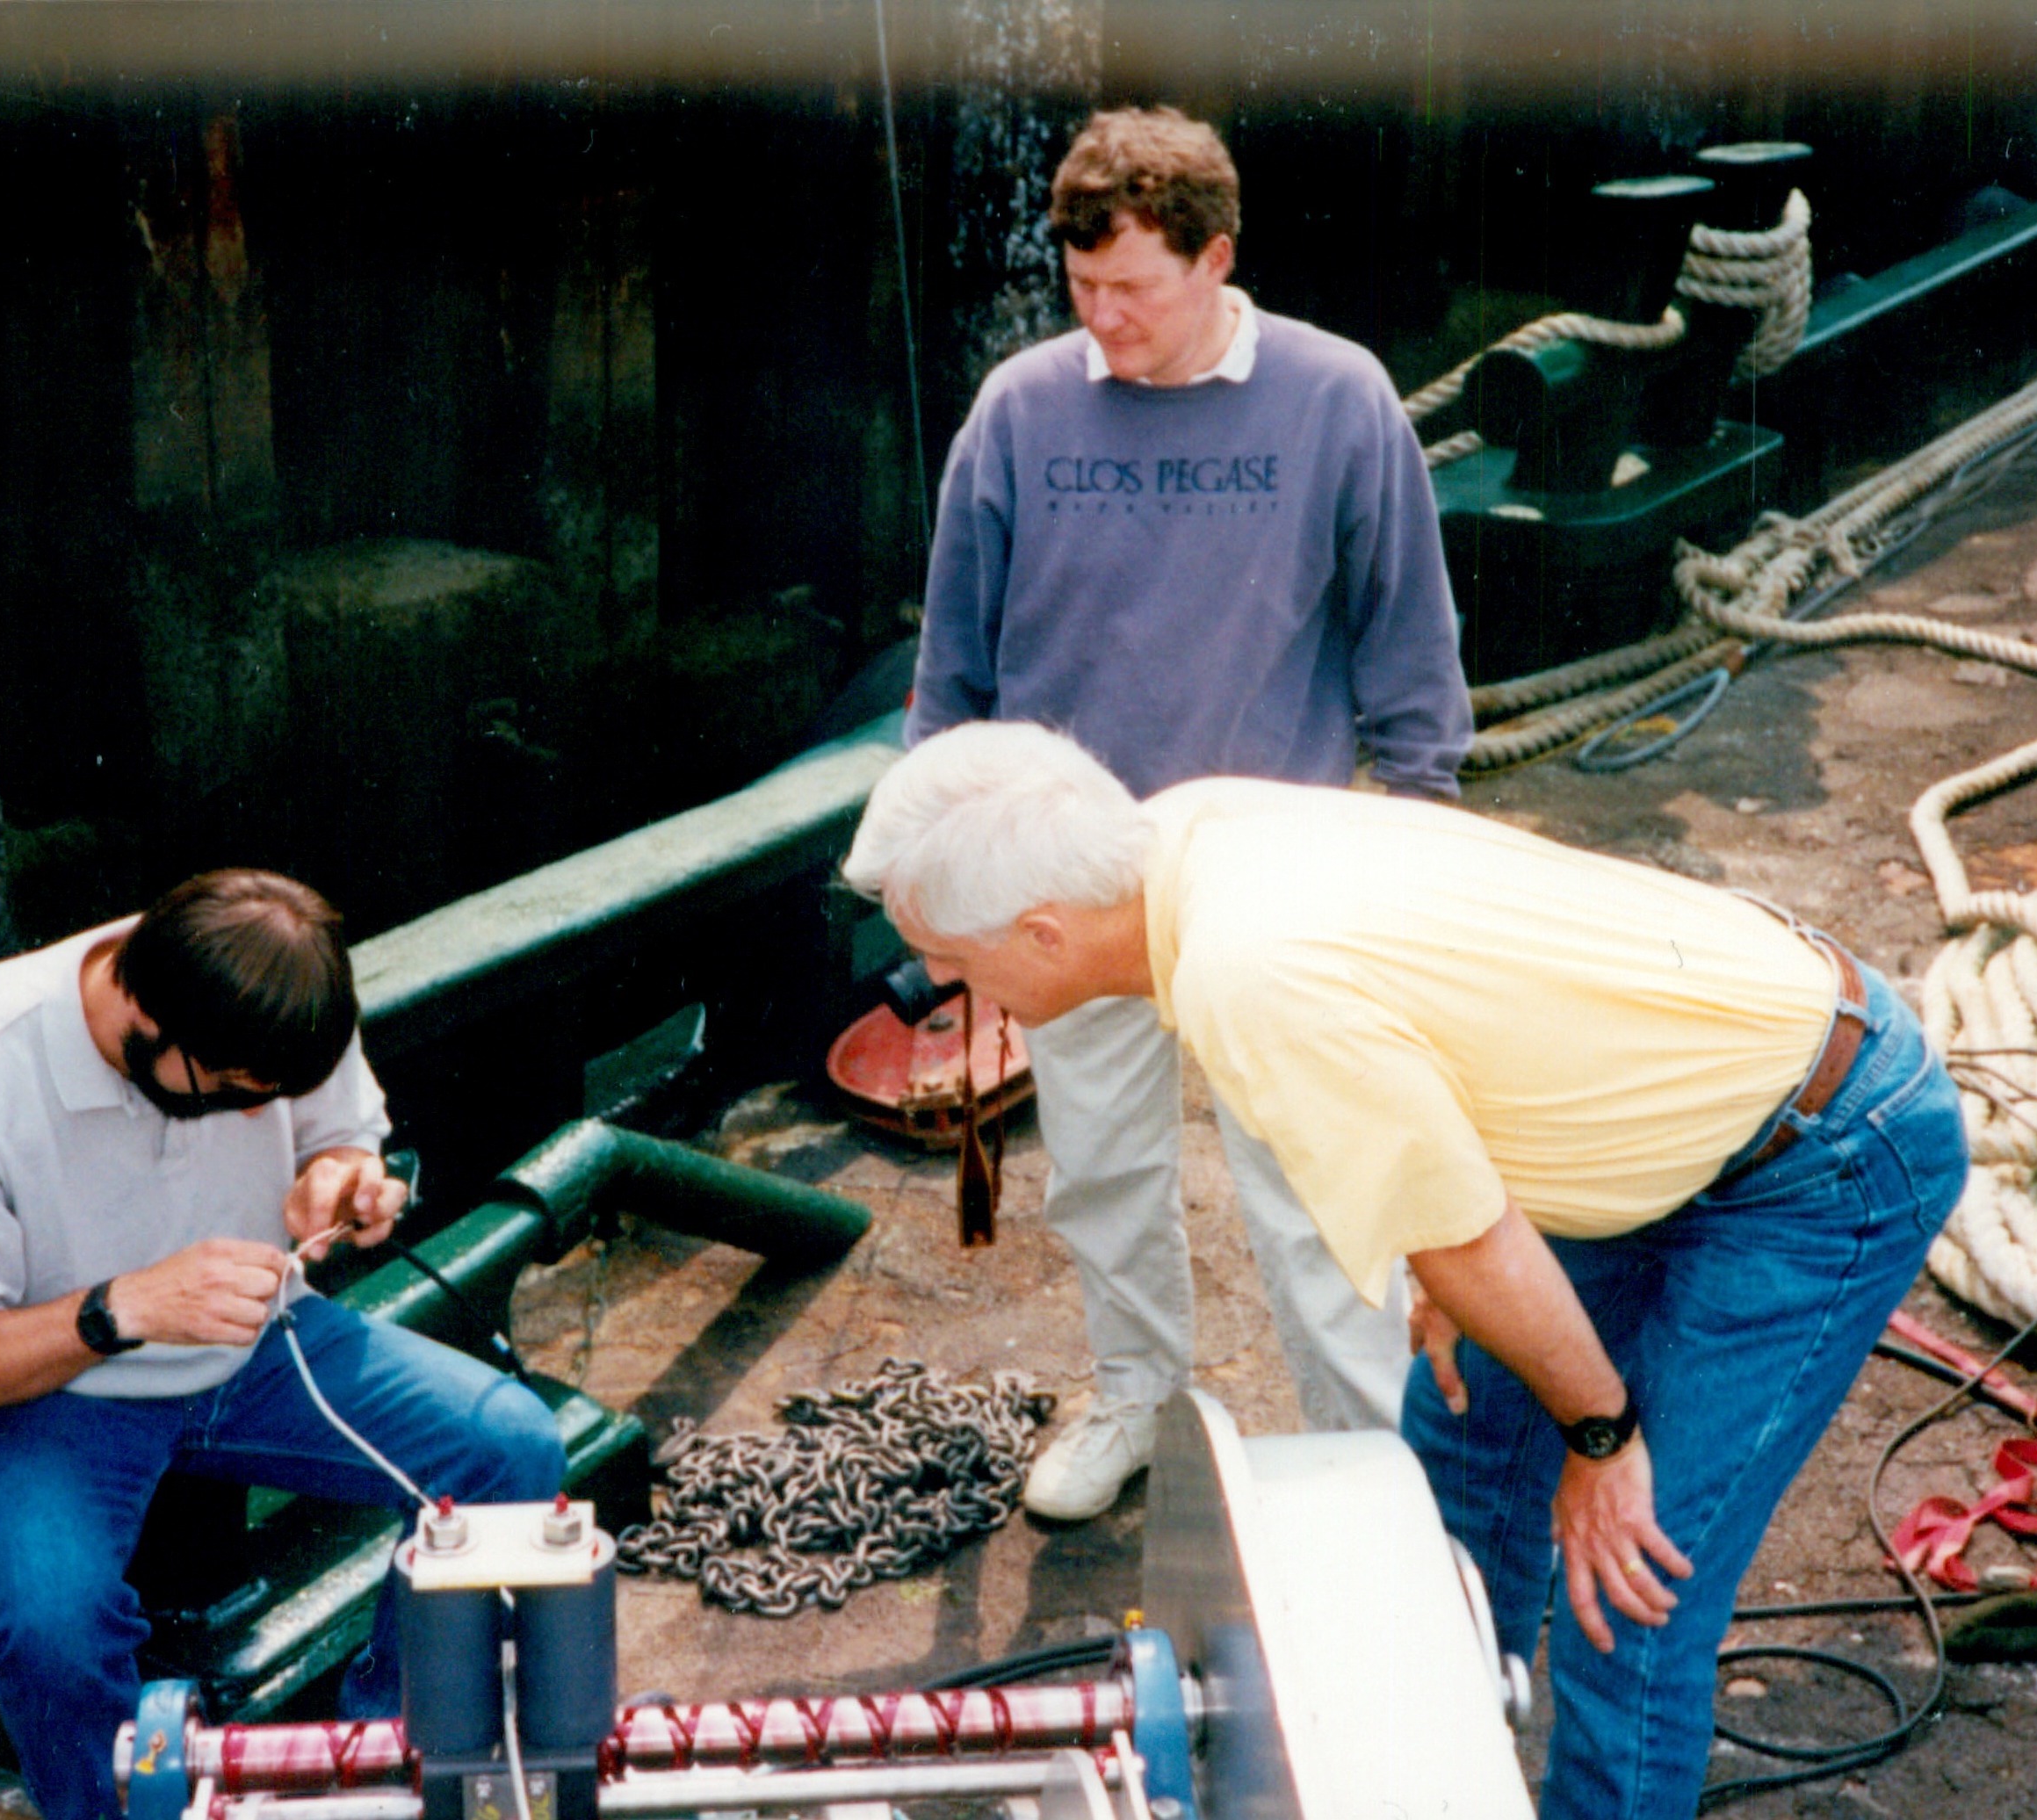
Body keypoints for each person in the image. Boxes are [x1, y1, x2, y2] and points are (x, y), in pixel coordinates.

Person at [842, 723, 1968, 1820]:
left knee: (1629, 1592)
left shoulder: (1248, 971)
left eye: (949, 956)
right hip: (1666, 1105)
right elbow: (1434, 1039)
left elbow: (1466, 1240)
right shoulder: (1178, 833)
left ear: (1042, 932)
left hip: (1816, 1151)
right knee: (1462, 1452)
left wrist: (1601, 1439)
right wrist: (1464, 1272)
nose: (933, 978)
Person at [905, 105, 1473, 1519]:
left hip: (1275, 879)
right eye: (1080, 288)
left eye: (1133, 290)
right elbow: (951, 663)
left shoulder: (1339, 400)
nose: (1102, 320)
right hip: (1067, 886)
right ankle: (1136, 1398)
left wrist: (1421, 828)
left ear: (1216, 258)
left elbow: (1409, 640)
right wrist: (939, 870)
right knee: (1100, 1172)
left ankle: (1365, 1444)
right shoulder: (1018, 411)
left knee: (1317, 1191)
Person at [0, 870, 566, 1820]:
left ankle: (395, 1761)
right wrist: (124, 1308)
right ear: (143, 1017)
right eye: (231, 1091)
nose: (254, 1115)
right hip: (53, 1397)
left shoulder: (272, 998)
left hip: (259, 1347)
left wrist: (344, 1177)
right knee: (53, 1633)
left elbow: (341, 1133)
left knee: (509, 1447)